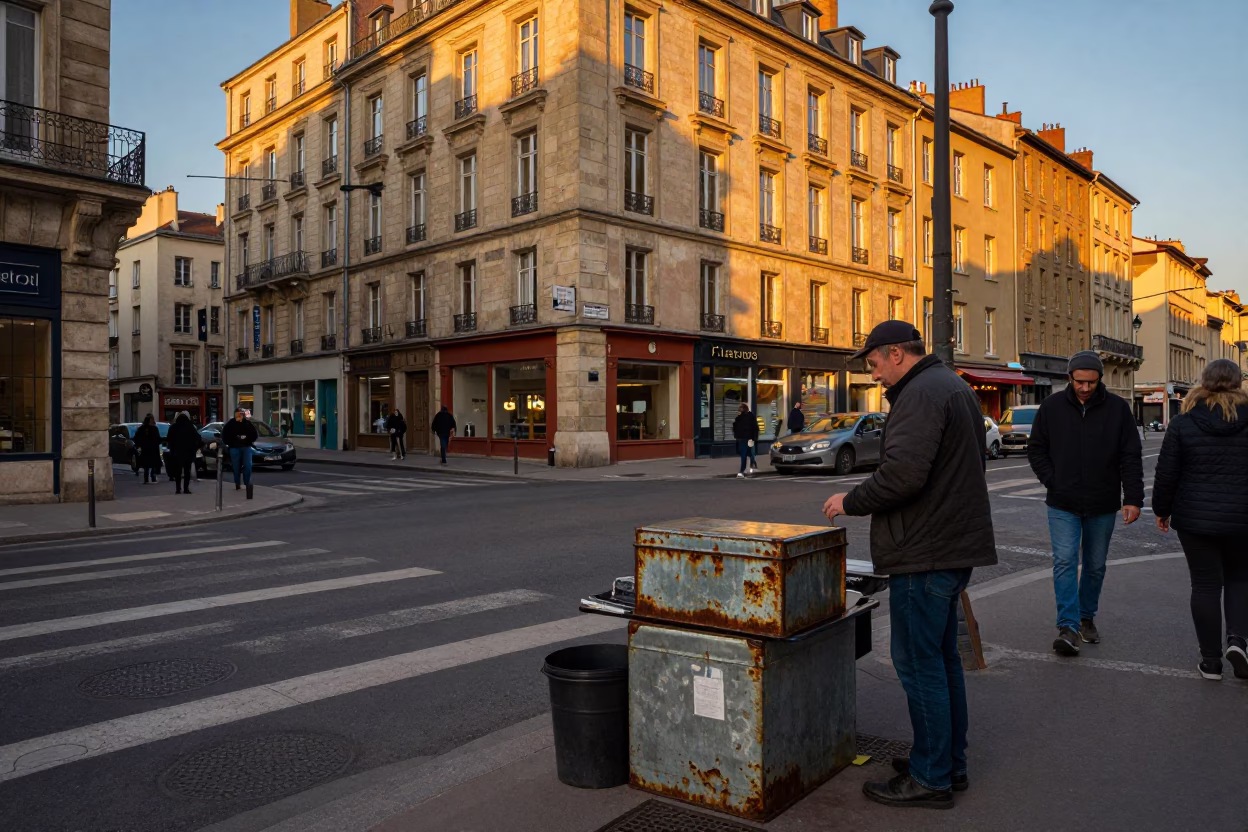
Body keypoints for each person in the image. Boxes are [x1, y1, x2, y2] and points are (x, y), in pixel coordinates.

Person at [823, 321, 996, 810]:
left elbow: (903, 475)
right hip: (947, 544)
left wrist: (849, 499)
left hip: (926, 549)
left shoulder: (920, 394)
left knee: (919, 666)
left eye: (874, 363)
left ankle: (931, 777)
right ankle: (944, 761)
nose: (875, 375)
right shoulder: (951, 386)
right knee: (940, 664)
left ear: (896, 353)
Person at [1027, 350, 1143, 657]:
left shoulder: (1118, 409)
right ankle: (1067, 626)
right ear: (1069, 378)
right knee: (1065, 561)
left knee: (1095, 566)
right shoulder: (1051, 407)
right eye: (1079, 382)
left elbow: (1130, 457)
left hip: (1103, 502)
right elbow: (1036, 449)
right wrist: (1053, 480)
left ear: (1100, 380)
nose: (1085, 388)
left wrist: (1133, 498)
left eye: (1091, 382)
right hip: (1062, 502)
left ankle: (1086, 617)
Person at [1151, 358, 1248, 681]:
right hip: (1243, 519)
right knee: (1240, 580)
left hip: (1196, 519)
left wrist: (1161, 509)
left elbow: (1167, 472)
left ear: (1204, 382)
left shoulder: (1185, 422)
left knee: (1205, 585)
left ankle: (1211, 662)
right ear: (1237, 383)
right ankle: (1238, 640)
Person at [222, 407, 259, 492]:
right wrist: (232, 442)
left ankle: (247, 483)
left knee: (248, 466)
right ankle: (237, 483)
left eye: (241, 414)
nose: (240, 415)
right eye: (238, 413)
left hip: (246, 447)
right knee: (236, 466)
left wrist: (247, 440)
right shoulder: (230, 424)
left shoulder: (247, 423)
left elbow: (254, 435)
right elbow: (225, 435)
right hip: (234, 447)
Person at [167, 411, 202, 495]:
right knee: (187, 471)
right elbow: (197, 438)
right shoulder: (190, 427)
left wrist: (172, 450)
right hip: (188, 453)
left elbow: (169, 440)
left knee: (177, 472)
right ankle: (186, 489)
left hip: (177, 453)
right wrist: (194, 448)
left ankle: (178, 489)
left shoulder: (173, 427)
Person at [732, 402, 759, 478]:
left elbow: (735, 428)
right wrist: (755, 438)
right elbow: (755, 428)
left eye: (740, 409)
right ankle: (752, 465)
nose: (739, 410)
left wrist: (737, 436)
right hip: (749, 439)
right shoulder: (749, 417)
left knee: (744, 454)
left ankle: (742, 470)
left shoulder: (741, 418)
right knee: (750, 452)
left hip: (744, 439)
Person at [133, 415, 162, 485]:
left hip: (147, 449)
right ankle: (151, 477)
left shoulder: (143, 429)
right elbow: (158, 439)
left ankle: (148, 478)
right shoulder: (153, 429)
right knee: (151, 464)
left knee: (148, 465)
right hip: (151, 449)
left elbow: (136, 438)